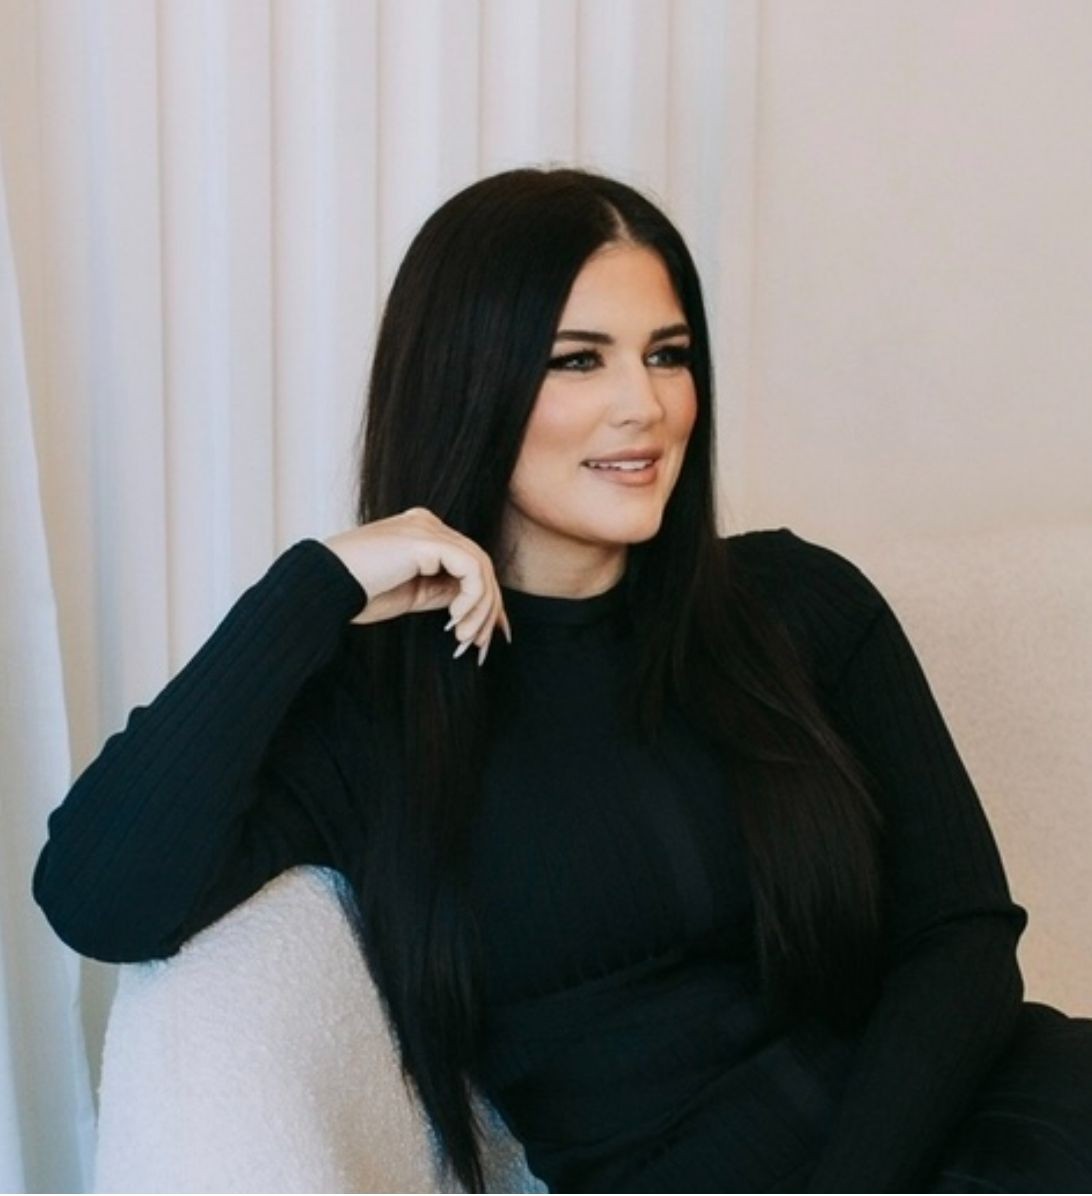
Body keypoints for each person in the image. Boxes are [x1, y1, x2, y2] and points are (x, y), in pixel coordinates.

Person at [33, 167, 1092, 1194]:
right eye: (579, 361)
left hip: (1007, 1120)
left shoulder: (800, 603)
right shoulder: (375, 711)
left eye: (668, 354)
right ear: (468, 381)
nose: (647, 404)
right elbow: (99, 894)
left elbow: (960, 941)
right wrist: (314, 585)